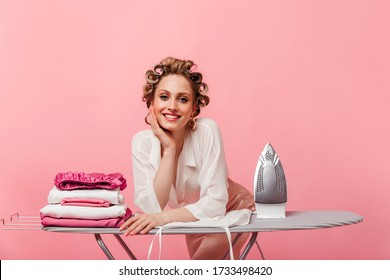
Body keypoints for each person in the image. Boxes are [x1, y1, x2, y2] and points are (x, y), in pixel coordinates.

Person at [120, 57, 255, 259]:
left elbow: (215, 203)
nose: (172, 106)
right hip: (192, 216)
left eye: (182, 99)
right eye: (164, 97)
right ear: (151, 103)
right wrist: (169, 149)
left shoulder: (207, 131)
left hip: (232, 209)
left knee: (201, 267)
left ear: (193, 109)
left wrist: (163, 218)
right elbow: (152, 208)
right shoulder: (142, 143)